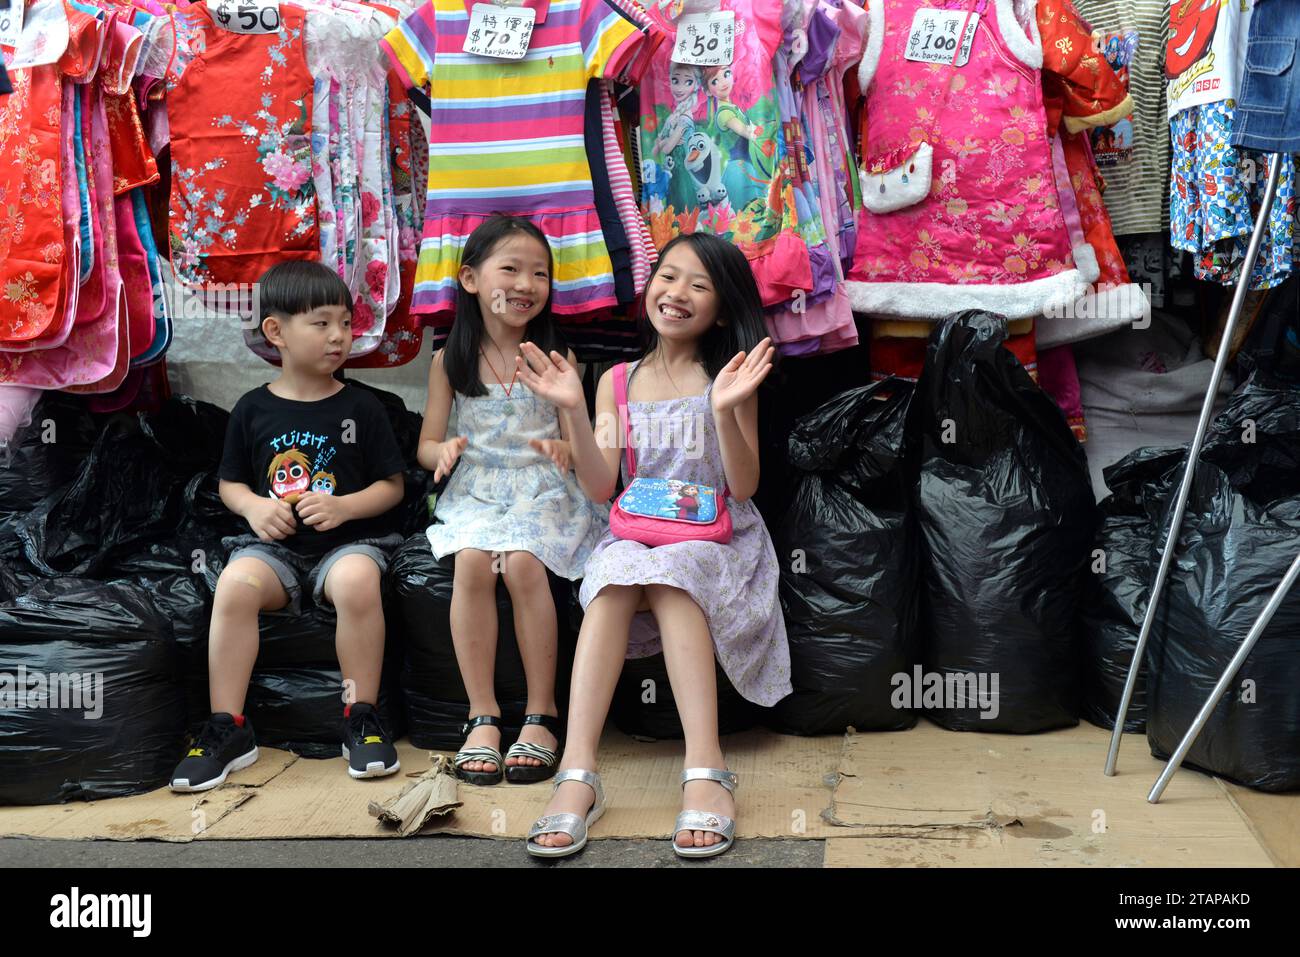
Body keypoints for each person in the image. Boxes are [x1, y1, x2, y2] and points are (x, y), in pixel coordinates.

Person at [515, 232, 792, 859]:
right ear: (649, 285)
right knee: (611, 578)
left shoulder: (728, 374)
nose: (677, 293)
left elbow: (744, 487)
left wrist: (725, 410)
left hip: (718, 537)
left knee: (673, 575)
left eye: (699, 284)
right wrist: (573, 414)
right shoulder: (617, 379)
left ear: (721, 308)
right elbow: (600, 485)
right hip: (636, 531)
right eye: (668, 276)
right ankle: (577, 775)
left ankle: (706, 768)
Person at [170, 261, 408, 792]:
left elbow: (393, 486)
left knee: (356, 582)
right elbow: (229, 484)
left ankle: (361, 717)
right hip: (272, 552)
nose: (339, 336)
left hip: (349, 545)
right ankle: (227, 727)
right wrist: (254, 506)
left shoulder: (360, 406)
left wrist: (345, 507)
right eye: (321, 323)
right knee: (234, 585)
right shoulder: (253, 409)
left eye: (346, 323)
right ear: (276, 331)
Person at [417, 215, 605, 786]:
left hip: (544, 488)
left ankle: (542, 713)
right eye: (511, 269)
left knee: (523, 562)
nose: (527, 283)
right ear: (471, 280)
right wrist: (442, 452)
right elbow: (425, 443)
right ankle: (482, 714)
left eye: (540, 273)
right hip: (479, 486)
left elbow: (584, 442)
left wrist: (565, 445)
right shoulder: (449, 359)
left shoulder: (556, 356)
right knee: (473, 561)